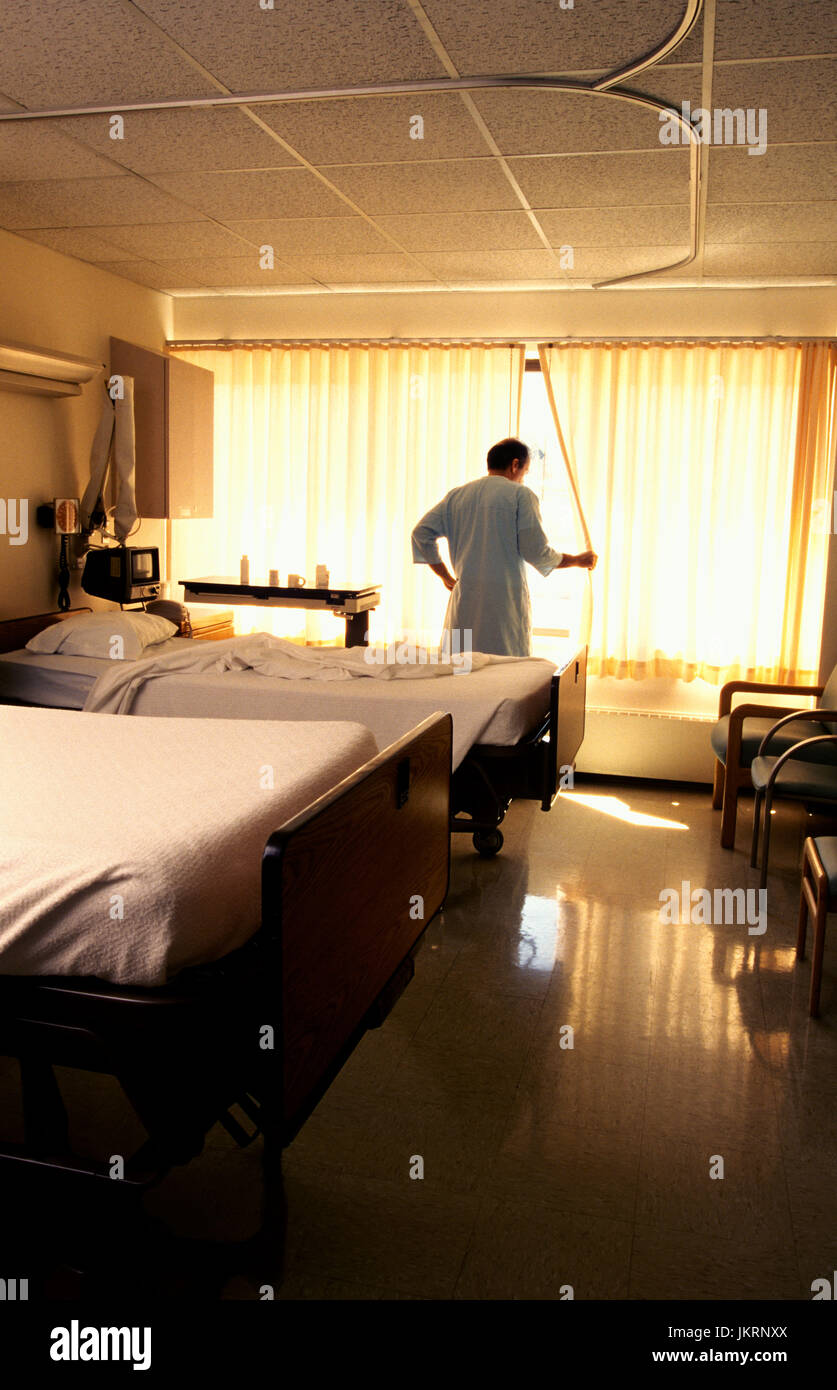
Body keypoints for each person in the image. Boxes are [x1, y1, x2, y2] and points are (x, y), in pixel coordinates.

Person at [411, 437, 597, 658]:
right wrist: (578, 560)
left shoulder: (457, 496)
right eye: (525, 472)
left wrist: (445, 577)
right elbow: (535, 551)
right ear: (515, 465)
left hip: (465, 600)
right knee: (503, 673)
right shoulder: (520, 495)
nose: (523, 479)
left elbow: (421, 534)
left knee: (461, 673)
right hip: (503, 604)